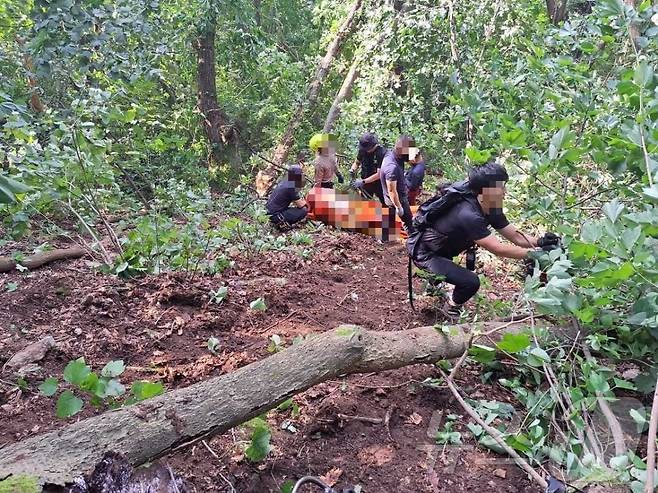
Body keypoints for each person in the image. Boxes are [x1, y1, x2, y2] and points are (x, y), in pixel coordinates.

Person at [407, 160, 560, 319]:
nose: (505, 192)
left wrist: (540, 242)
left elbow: (513, 235)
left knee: (448, 271)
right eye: (501, 187)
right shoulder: (468, 214)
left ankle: (434, 284)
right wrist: (536, 254)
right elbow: (497, 248)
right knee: (470, 282)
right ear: (485, 191)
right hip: (425, 252)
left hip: (442, 249)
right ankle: (451, 307)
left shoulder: (490, 204)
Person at [380, 135, 416, 233]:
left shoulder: (393, 154)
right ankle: (413, 242)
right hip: (396, 199)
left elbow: (411, 159)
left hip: (397, 194)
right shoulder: (391, 167)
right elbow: (392, 191)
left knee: (392, 219)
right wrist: (399, 207)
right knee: (409, 222)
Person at [266, 165, 308, 231]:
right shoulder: (291, 187)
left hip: (269, 212)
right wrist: (307, 201)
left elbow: (295, 200)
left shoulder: (284, 182)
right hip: (276, 216)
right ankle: (282, 224)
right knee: (304, 210)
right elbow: (301, 205)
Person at [350, 132, 386, 204]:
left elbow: (379, 174)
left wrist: (363, 181)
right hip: (366, 181)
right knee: (365, 203)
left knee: (385, 203)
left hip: (379, 183)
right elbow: (357, 162)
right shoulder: (362, 151)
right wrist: (352, 169)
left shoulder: (380, 153)